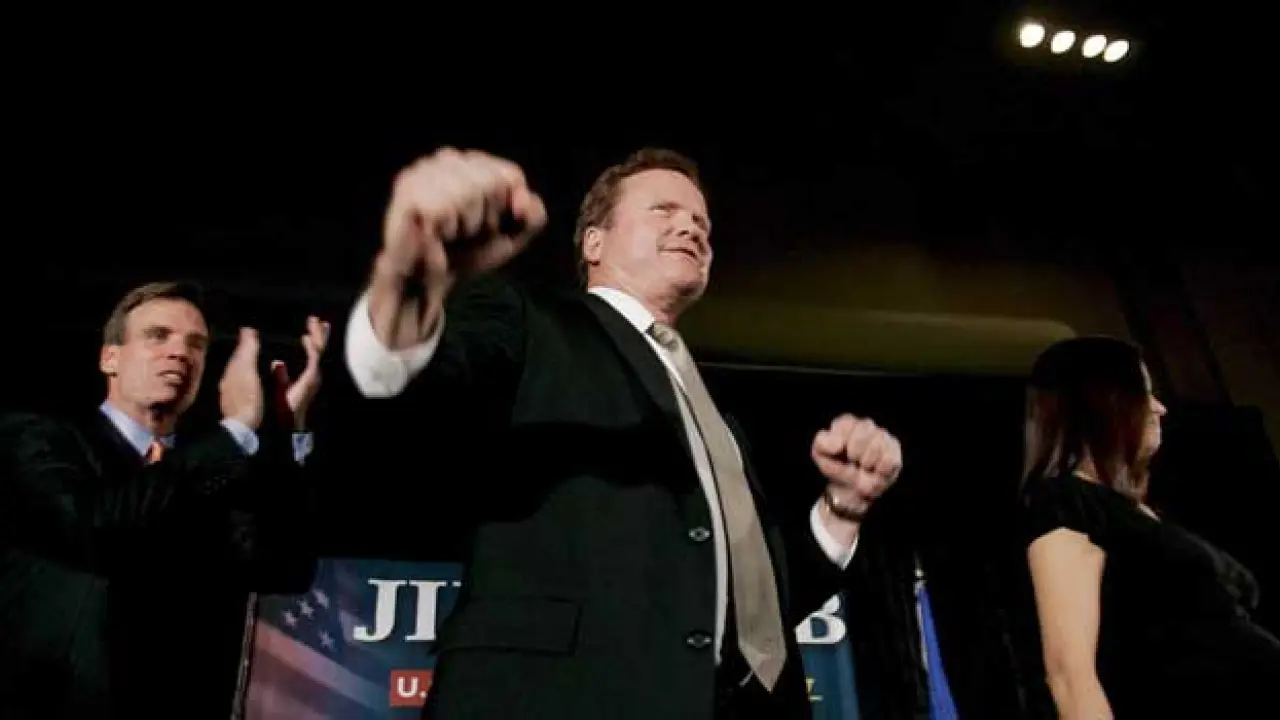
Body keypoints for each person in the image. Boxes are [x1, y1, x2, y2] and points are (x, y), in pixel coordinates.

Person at [344, 147, 905, 720]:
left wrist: (844, 507)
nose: (691, 227)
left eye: (702, 223)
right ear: (594, 242)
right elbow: (407, 391)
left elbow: (758, 606)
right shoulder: (530, 323)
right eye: (664, 210)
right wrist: (410, 282)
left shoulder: (716, 418)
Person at [0, 281, 330, 719]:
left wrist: (286, 434)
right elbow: (93, 525)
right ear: (110, 358)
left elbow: (284, 567)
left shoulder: (213, 470)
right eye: (158, 336)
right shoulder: (39, 438)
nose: (180, 353)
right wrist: (235, 429)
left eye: (196, 344)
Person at [1018, 336, 1280, 718]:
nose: (1159, 408)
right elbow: (1070, 676)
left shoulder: (1132, 511)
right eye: (1144, 392)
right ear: (1104, 404)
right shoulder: (1066, 503)